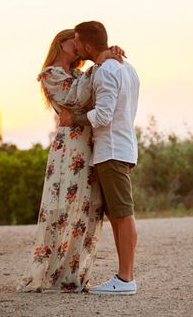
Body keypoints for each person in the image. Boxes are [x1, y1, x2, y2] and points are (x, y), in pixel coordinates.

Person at [17, 28, 122, 293]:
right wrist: (101, 62)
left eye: (79, 41)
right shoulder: (51, 75)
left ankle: (73, 274)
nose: (77, 45)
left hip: (90, 141)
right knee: (65, 206)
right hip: (70, 147)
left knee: (88, 208)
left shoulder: (80, 73)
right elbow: (74, 98)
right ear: (61, 44)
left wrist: (109, 59)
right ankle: (53, 273)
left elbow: (97, 96)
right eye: (73, 41)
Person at [59, 21, 140, 296]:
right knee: (118, 214)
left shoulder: (106, 71)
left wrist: (74, 119)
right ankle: (124, 277)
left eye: (79, 42)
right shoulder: (126, 67)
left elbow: (103, 116)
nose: (77, 46)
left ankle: (126, 279)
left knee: (123, 214)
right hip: (121, 147)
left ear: (89, 46)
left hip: (112, 149)